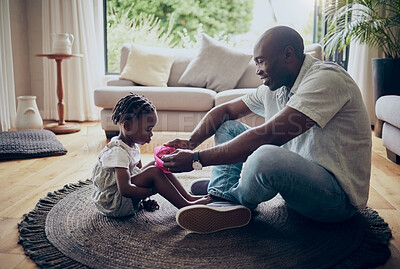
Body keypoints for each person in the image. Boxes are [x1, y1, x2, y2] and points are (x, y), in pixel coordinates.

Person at [162, 25, 372, 233]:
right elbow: (224, 111)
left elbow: (269, 135)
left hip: (335, 201)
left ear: (288, 54)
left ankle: (231, 200)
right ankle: (221, 193)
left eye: (261, 61)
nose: (257, 70)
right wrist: (190, 144)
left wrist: (196, 159)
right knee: (228, 127)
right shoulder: (276, 86)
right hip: (298, 182)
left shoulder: (327, 79)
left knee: (266, 154)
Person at [91, 93, 212, 218]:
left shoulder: (132, 145)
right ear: (127, 126)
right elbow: (125, 189)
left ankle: (188, 198)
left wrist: (144, 200)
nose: (151, 134)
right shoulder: (118, 152)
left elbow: (139, 173)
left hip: (123, 197)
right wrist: (153, 190)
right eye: (148, 130)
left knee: (158, 164)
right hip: (113, 203)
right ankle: (185, 206)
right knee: (154, 172)